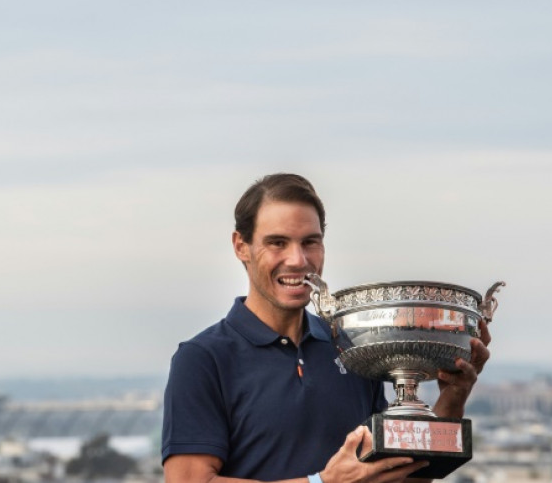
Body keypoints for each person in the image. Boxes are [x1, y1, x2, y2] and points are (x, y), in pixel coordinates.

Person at [162, 173, 490, 483]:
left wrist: (453, 395)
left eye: (310, 242)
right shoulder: (203, 359)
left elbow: (401, 475)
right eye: (277, 243)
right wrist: (321, 482)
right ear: (241, 246)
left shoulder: (353, 348)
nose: (297, 260)